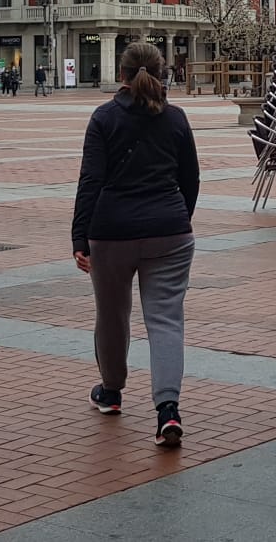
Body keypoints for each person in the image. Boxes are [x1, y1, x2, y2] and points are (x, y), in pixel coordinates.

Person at [72, 41, 201, 448]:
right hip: (170, 229)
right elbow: (191, 180)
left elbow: (90, 181)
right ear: (161, 73)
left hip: (111, 231)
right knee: (166, 320)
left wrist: (80, 236)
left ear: (121, 75)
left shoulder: (104, 118)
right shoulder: (177, 119)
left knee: (112, 314)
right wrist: (178, 216)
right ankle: (168, 410)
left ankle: (111, 392)